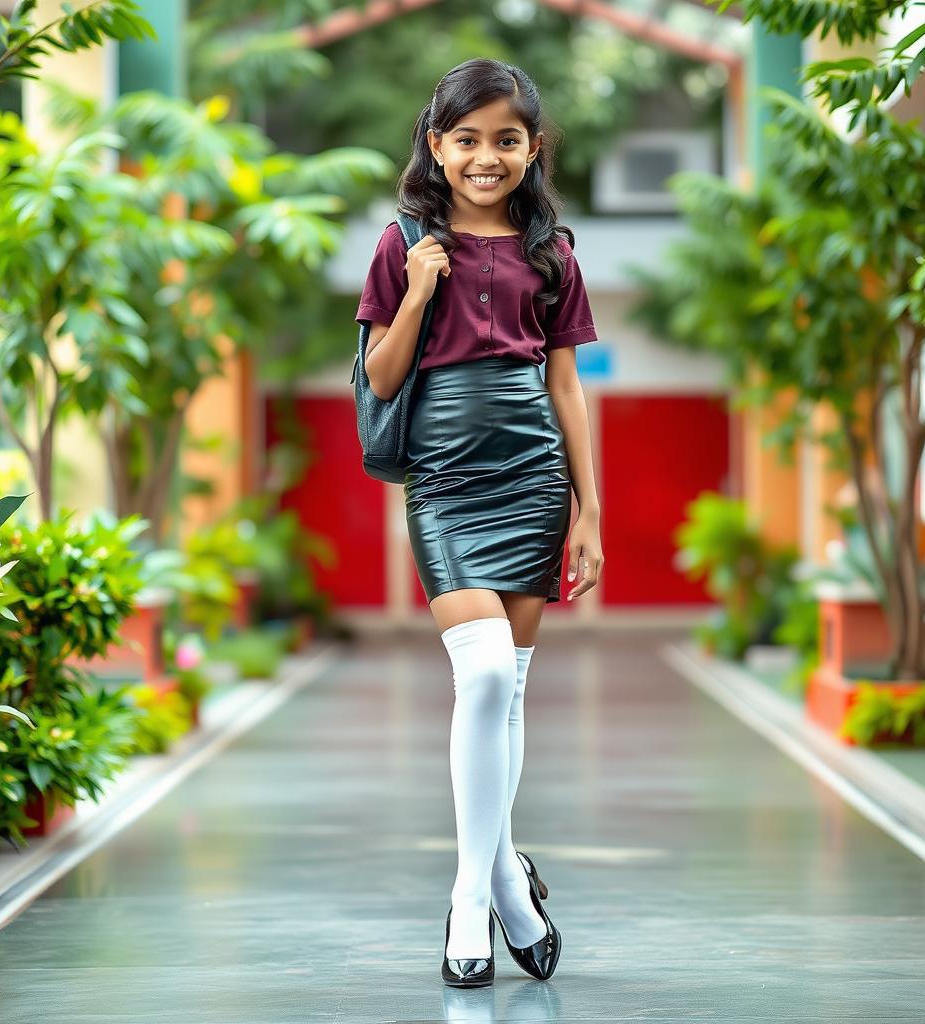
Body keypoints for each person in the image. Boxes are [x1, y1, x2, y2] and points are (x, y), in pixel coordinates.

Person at [354, 58, 605, 987]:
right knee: (487, 671)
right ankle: (484, 886)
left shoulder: (553, 253)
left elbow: (566, 384)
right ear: (436, 144)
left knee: (509, 690)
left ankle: (494, 879)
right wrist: (419, 290)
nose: (485, 156)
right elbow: (382, 380)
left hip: (534, 479)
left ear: (532, 147)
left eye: (506, 139)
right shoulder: (403, 243)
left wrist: (589, 512)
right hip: (446, 483)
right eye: (466, 139)